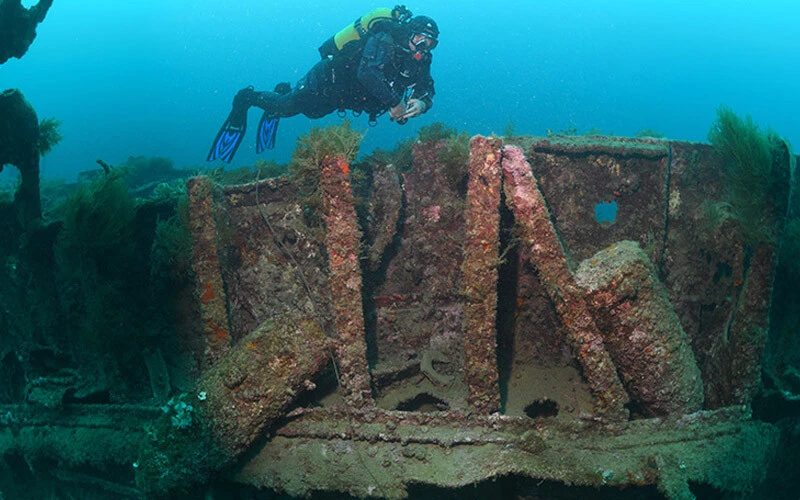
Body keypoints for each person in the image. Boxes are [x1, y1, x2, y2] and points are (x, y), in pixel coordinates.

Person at [207, 7, 439, 163]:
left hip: (341, 99)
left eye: (430, 43)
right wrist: (394, 102)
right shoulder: (383, 40)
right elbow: (366, 73)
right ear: (408, 33)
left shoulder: (420, 61)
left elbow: (426, 87)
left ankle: (283, 90)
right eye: (420, 38)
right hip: (325, 81)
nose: (424, 47)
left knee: (313, 113)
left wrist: (421, 103)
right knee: (286, 108)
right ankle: (246, 98)